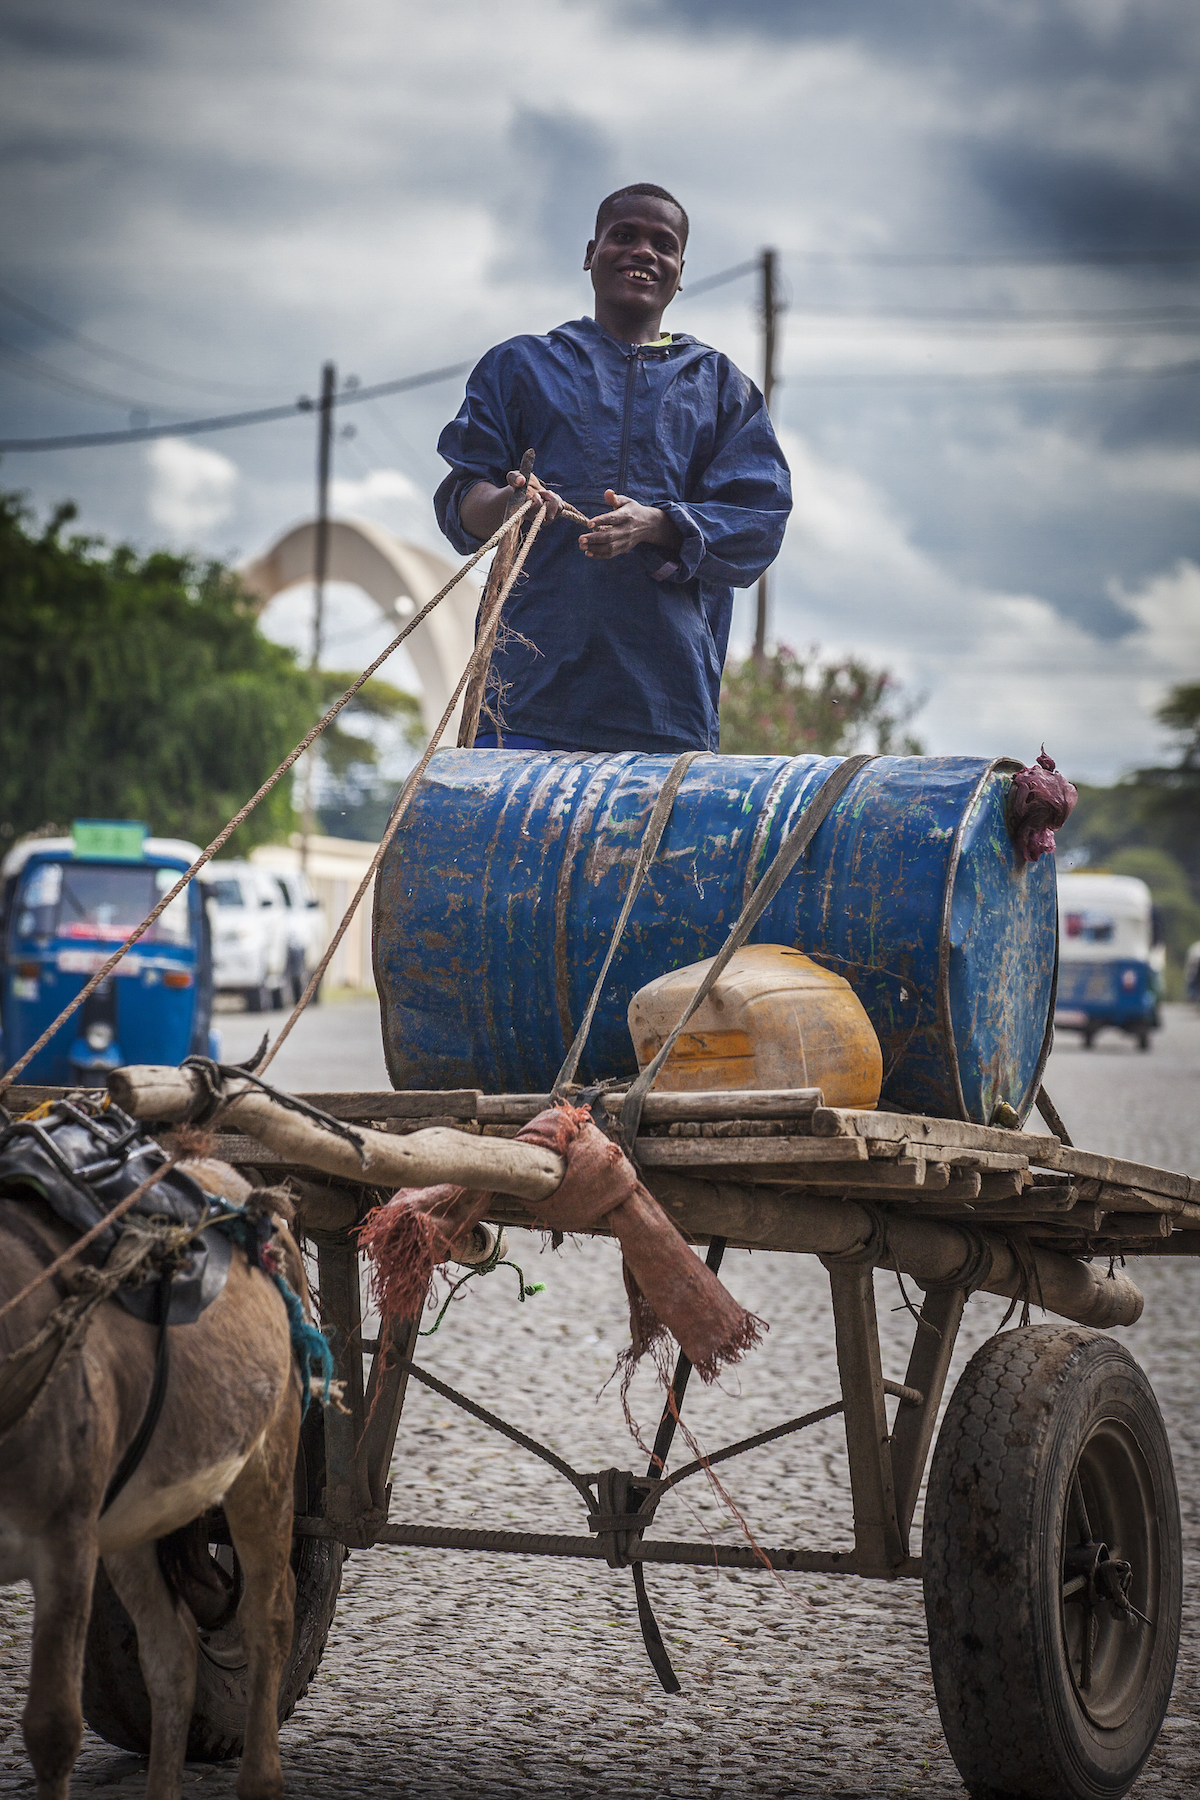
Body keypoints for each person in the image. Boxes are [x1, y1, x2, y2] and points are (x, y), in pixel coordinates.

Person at [434, 183, 792, 754]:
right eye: (623, 236)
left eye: (662, 244)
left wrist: (658, 524)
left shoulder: (722, 389)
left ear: (680, 273)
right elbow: (460, 501)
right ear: (590, 254)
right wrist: (510, 504)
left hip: (665, 713)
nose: (643, 252)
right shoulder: (520, 367)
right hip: (523, 703)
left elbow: (757, 524)